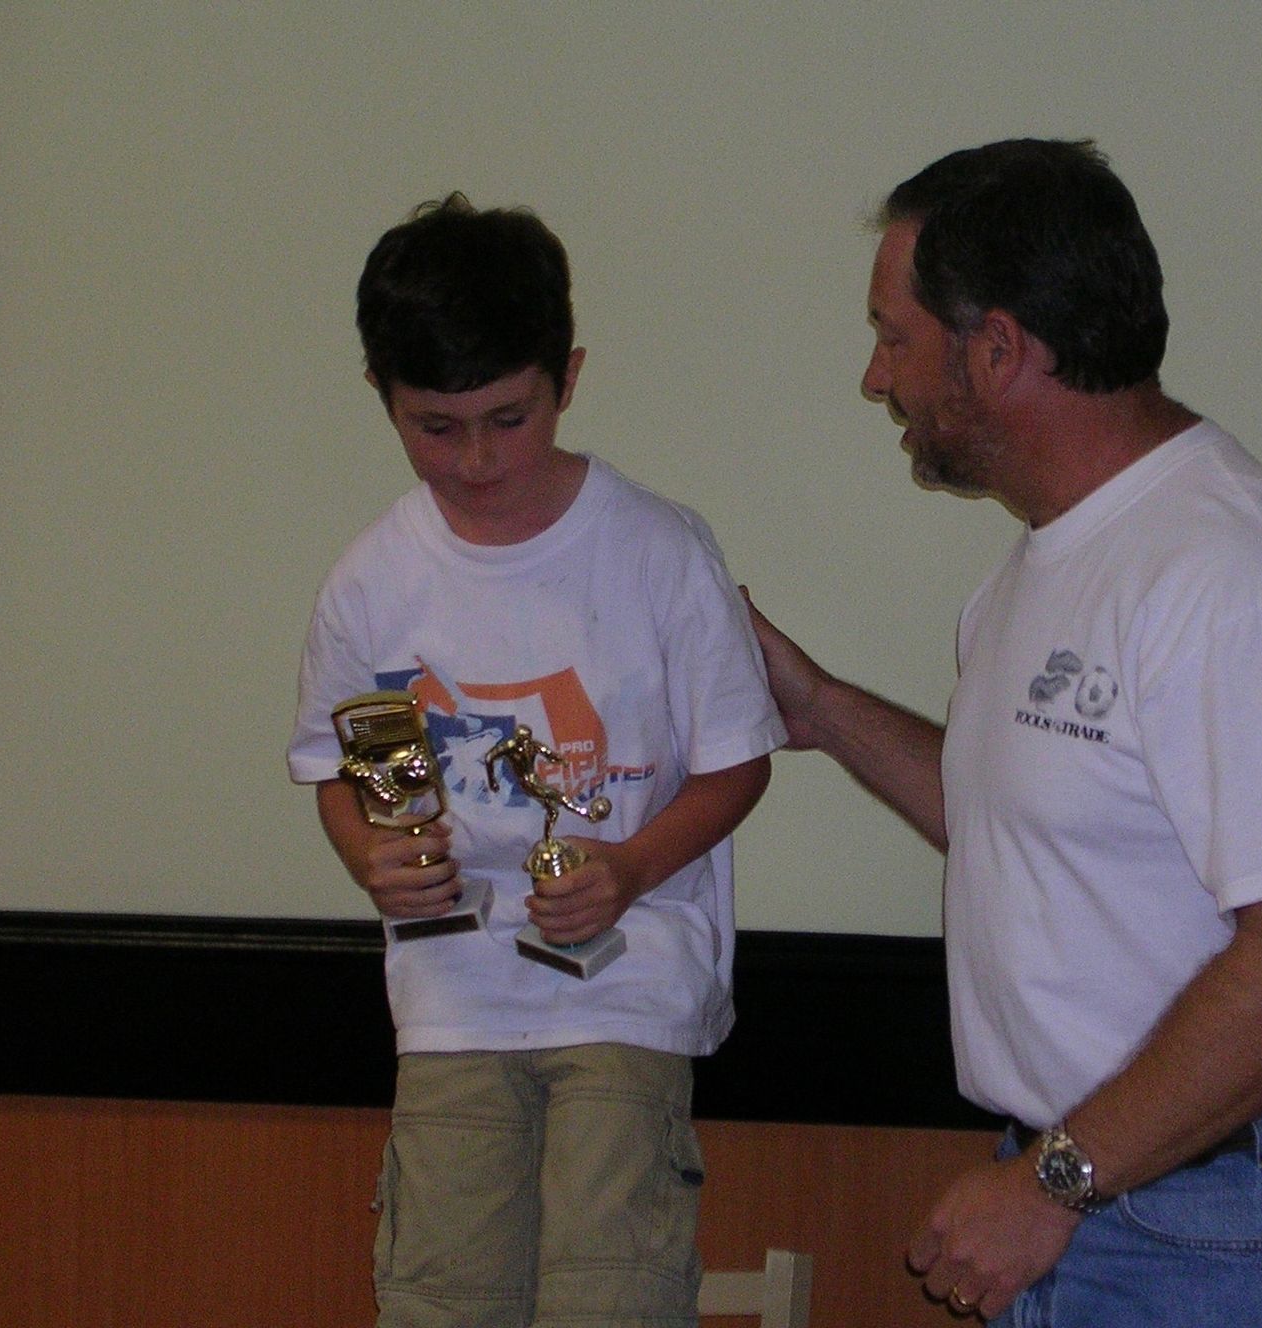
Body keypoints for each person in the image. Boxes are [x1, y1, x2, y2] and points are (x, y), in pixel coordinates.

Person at [746, 139, 1262, 1325]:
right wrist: (815, 705)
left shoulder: (1227, 572)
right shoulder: (1050, 564)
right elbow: (1023, 824)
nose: (876, 378)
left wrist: (1052, 1181)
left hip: (1250, 1227)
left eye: (894, 337)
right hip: (1116, 1200)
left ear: (997, 349)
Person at [288, 193, 783, 1328]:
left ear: (569, 378)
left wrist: (630, 868)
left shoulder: (657, 550)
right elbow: (360, 778)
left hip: (628, 985)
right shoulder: (374, 582)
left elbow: (737, 765)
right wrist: (375, 857)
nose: (474, 460)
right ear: (381, 395)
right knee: (440, 1296)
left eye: (508, 419)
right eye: (434, 427)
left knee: (609, 1295)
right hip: (451, 996)